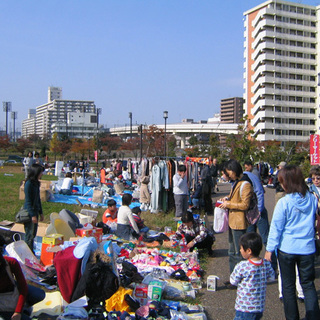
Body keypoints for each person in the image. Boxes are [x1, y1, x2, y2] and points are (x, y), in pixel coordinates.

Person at [265, 165, 320, 320]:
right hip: (307, 248)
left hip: (287, 249)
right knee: (308, 285)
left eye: (282, 182)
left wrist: (269, 250)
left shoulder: (284, 202)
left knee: (288, 288)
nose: (281, 185)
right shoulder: (312, 198)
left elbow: (276, 228)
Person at [218, 159, 253, 275]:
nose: (228, 175)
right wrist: (227, 198)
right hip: (232, 221)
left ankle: (242, 277)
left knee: (240, 252)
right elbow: (233, 197)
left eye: (229, 172)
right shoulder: (237, 182)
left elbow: (245, 205)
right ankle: (233, 276)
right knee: (231, 251)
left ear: (234, 170)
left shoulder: (245, 184)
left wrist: (229, 204)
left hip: (239, 222)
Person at [230, 232, 275, 320]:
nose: (240, 250)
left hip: (244, 307)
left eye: (241, 248)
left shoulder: (242, 265)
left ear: (249, 251)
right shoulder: (265, 264)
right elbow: (271, 278)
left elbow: (233, 281)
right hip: (259, 307)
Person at [0, 235, 45, 320]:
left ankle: (23, 307)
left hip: (12, 291)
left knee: (39, 294)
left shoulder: (11, 262)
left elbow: (23, 287)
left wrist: (18, 311)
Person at [24, 164, 44, 253]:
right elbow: (28, 201)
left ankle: (31, 252)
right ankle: (28, 253)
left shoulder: (36, 183)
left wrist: (41, 212)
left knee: (33, 233)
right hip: (29, 212)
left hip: (35, 211)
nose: (42, 174)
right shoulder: (28, 184)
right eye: (40, 172)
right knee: (29, 235)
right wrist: (32, 215)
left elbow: (38, 199)